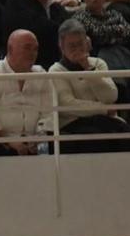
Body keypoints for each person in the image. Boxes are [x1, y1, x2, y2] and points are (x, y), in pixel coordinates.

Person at [48, 19, 125, 152]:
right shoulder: (55, 71)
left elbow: (111, 96)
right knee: (99, 142)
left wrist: (88, 69)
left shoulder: (98, 63)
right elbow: (68, 104)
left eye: (81, 43)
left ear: (87, 42)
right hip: (74, 123)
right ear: (61, 46)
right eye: (72, 46)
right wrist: (103, 109)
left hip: (105, 120)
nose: (78, 49)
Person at [0, 28, 47, 155]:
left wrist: (39, 138)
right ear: (10, 49)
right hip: (1, 140)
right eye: (27, 48)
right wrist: (9, 141)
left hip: (34, 140)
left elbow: (48, 113)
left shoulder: (42, 75)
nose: (32, 53)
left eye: (35, 49)